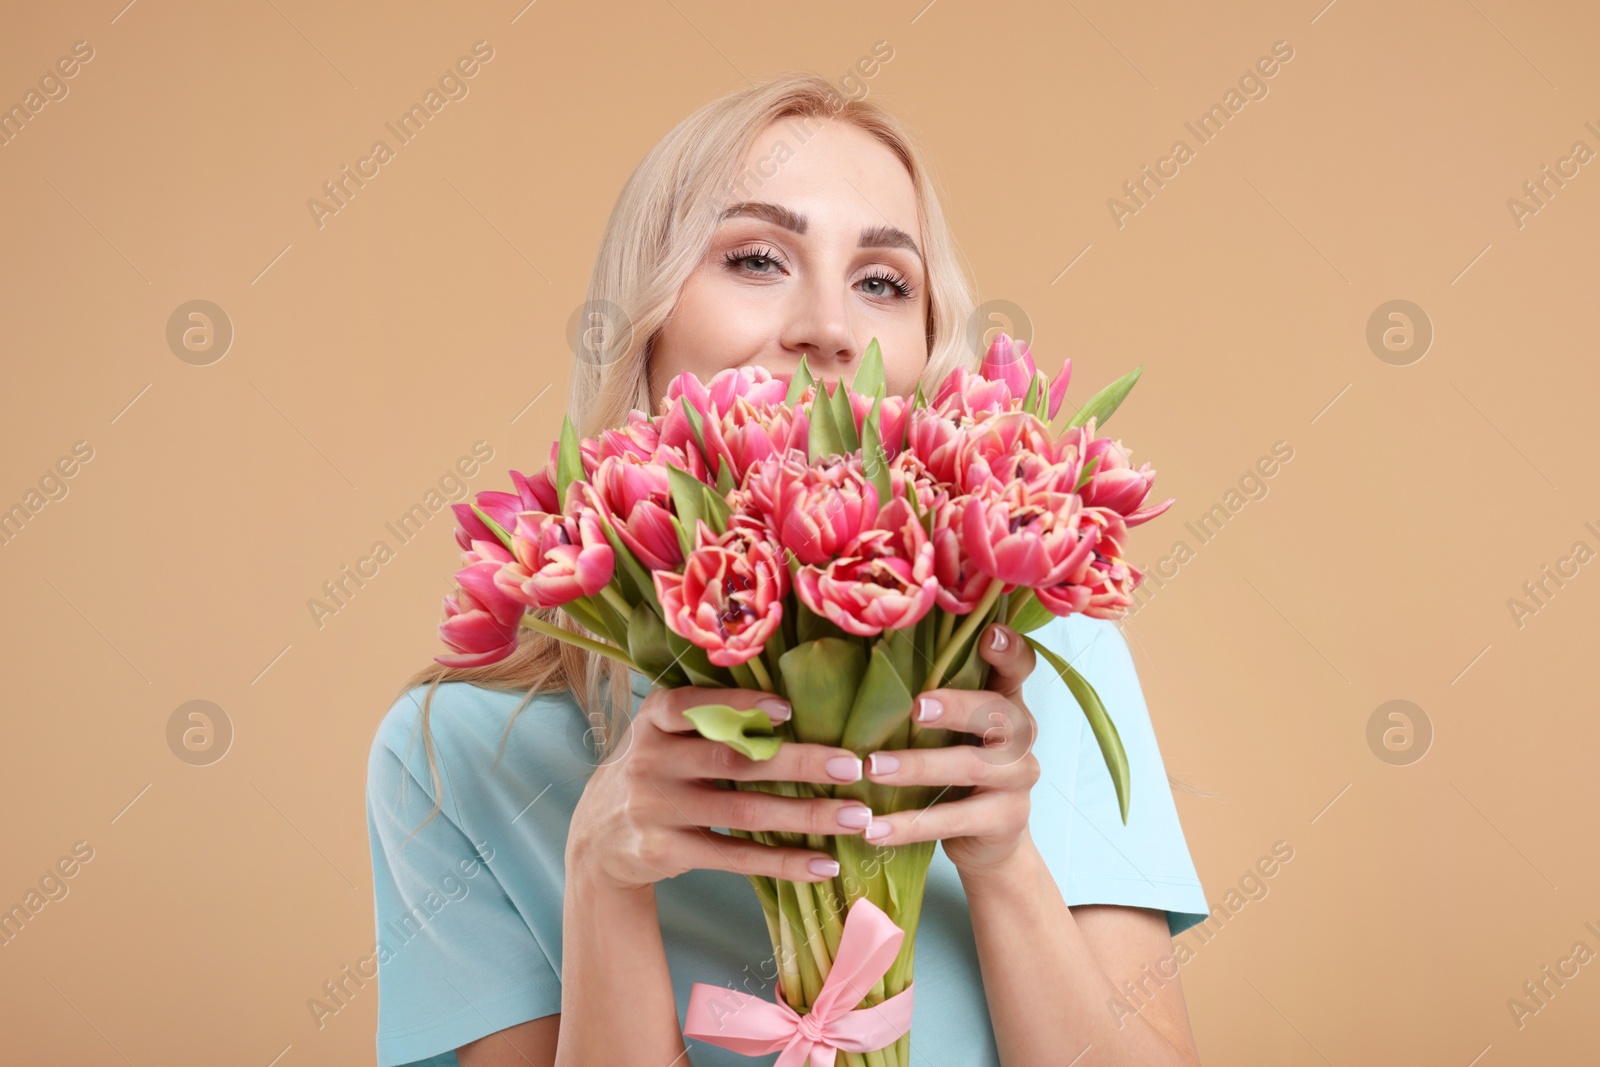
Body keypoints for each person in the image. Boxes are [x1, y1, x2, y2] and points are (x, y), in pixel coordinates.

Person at [365, 71, 1210, 1067]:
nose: (830, 327)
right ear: (643, 326)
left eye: (882, 280)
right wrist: (602, 878)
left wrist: (1003, 859)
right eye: (757, 258)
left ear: (924, 351)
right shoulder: (456, 747)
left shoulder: (1034, 653)